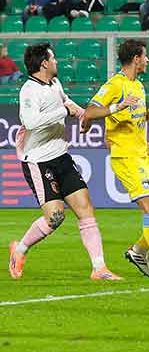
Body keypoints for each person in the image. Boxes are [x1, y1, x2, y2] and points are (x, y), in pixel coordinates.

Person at [8, 43, 121, 281]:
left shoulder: (55, 83)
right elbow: (31, 122)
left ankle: (99, 268)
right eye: (53, 58)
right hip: (38, 161)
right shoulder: (29, 90)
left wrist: (84, 115)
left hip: (61, 156)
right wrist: (63, 112)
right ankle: (19, 250)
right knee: (55, 217)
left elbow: (68, 103)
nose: (57, 61)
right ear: (44, 64)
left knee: (85, 208)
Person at [79, 40, 149, 281]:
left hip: (143, 156)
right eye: (145, 56)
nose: (148, 60)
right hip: (126, 158)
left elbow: (132, 123)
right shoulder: (115, 84)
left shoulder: (138, 86)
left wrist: (146, 116)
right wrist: (117, 106)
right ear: (136, 59)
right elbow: (91, 111)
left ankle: (138, 250)